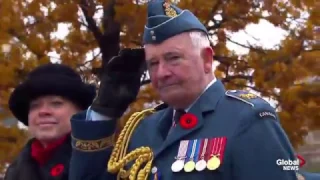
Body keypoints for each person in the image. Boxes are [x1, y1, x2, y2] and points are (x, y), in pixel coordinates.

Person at [68, 1, 308, 180]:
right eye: (153, 63)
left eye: (173, 58)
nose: (161, 73)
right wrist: (103, 113)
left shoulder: (249, 120)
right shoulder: (143, 128)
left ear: (206, 60)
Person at [4, 63, 96, 180]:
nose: (43, 111)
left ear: (80, 112)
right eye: (35, 106)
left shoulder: (99, 161)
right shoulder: (15, 170)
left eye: (56, 103)